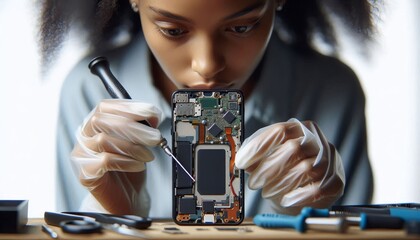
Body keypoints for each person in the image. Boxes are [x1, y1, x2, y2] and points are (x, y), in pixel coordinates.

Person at [39, 0, 378, 217]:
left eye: (242, 26)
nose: (207, 66)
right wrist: (112, 215)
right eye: (173, 30)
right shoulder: (86, 93)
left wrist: (309, 219)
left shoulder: (333, 92)